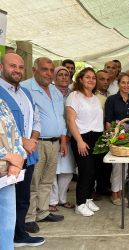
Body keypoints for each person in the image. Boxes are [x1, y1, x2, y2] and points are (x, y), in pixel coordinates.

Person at [0, 53, 44, 247]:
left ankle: (19, 234)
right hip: (7, 159)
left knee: (22, 197)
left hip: (27, 155)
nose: (17, 70)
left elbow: (36, 118)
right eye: (12, 66)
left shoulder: (26, 92)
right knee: (6, 202)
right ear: (1, 67)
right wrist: (23, 141)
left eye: (20, 67)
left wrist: (32, 140)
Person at [21, 57, 68, 227]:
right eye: (44, 69)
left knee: (47, 180)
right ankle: (29, 218)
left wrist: (63, 140)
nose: (48, 73)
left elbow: (60, 118)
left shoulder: (55, 91)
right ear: (34, 70)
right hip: (36, 143)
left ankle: (42, 212)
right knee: (33, 181)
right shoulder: (25, 88)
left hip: (54, 143)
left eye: (50, 70)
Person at [66, 67, 103, 216]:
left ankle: (87, 198)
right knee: (86, 171)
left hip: (97, 138)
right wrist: (80, 141)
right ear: (80, 79)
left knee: (94, 171)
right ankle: (80, 203)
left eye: (93, 77)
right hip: (82, 139)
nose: (91, 80)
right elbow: (70, 120)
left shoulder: (94, 97)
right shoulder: (74, 96)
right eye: (87, 77)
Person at [105, 72, 129, 205]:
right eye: (123, 82)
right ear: (118, 84)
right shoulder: (111, 100)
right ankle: (114, 193)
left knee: (125, 167)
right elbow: (108, 121)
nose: (126, 85)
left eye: (128, 83)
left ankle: (120, 191)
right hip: (116, 138)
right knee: (117, 167)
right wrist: (112, 138)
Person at [0, 99, 28, 249]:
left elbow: (16, 135)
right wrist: (10, 157)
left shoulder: (2, 103)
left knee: (7, 226)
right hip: (6, 164)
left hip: (6, 176)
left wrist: (17, 162)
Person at [49, 66, 76, 212]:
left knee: (67, 170)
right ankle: (52, 200)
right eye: (61, 75)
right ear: (55, 77)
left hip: (70, 138)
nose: (64, 77)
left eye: (67, 75)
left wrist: (69, 135)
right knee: (52, 170)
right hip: (53, 137)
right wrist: (61, 135)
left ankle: (62, 198)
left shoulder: (73, 94)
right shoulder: (50, 92)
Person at [93, 70, 112, 199]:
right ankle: (91, 189)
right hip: (95, 134)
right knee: (95, 165)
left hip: (108, 135)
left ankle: (102, 187)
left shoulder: (111, 96)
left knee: (106, 164)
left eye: (107, 79)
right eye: (102, 79)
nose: (105, 82)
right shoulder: (92, 96)